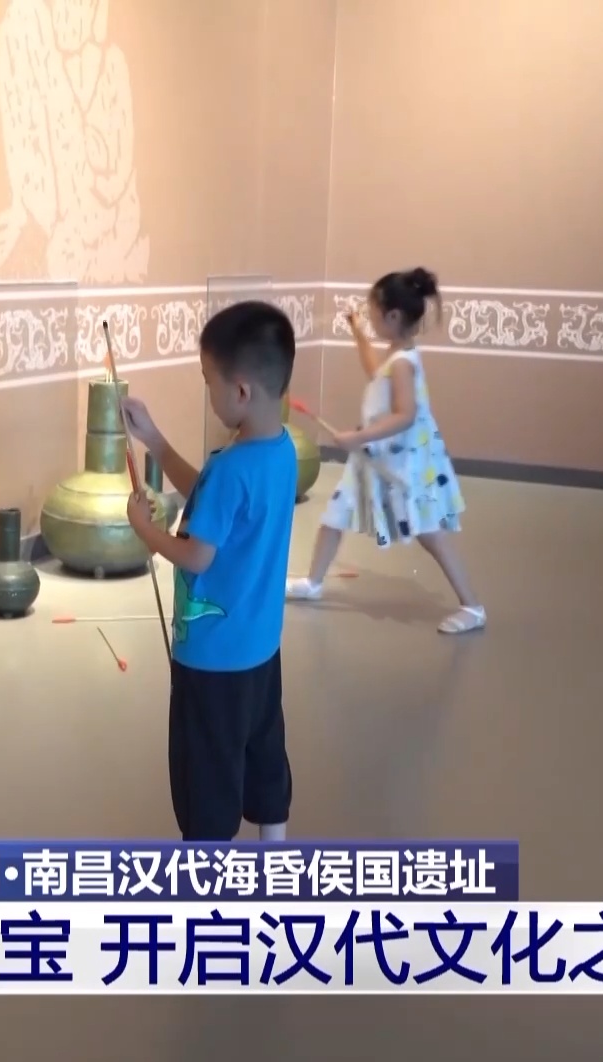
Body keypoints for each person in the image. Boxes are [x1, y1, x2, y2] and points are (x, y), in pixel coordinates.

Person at [121, 300, 297, 842]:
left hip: (212, 661)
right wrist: (154, 440)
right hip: (260, 650)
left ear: (240, 391)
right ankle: (276, 857)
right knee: (264, 754)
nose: (207, 392)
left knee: (207, 779)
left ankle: (208, 879)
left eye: (207, 381)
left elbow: (198, 555)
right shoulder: (281, 452)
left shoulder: (230, 468)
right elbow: (214, 499)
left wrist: (144, 530)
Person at [285, 267, 486, 634]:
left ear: (393, 316)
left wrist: (358, 437)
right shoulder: (398, 355)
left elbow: (405, 415)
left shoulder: (404, 363)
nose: (370, 317)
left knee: (429, 532)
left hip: (400, 462)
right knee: (335, 515)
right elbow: (376, 373)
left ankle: (472, 606)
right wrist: (358, 332)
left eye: (373, 312)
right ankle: (313, 583)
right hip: (377, 457)